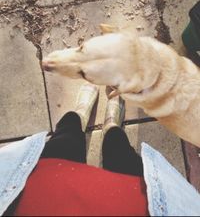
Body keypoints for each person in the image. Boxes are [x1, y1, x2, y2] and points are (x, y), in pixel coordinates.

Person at [1, 84, 200, 216]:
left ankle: (78, 116)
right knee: (120, 152)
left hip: (40, 193)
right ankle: (112, 126)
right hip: (134, 202)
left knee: (64, 140)